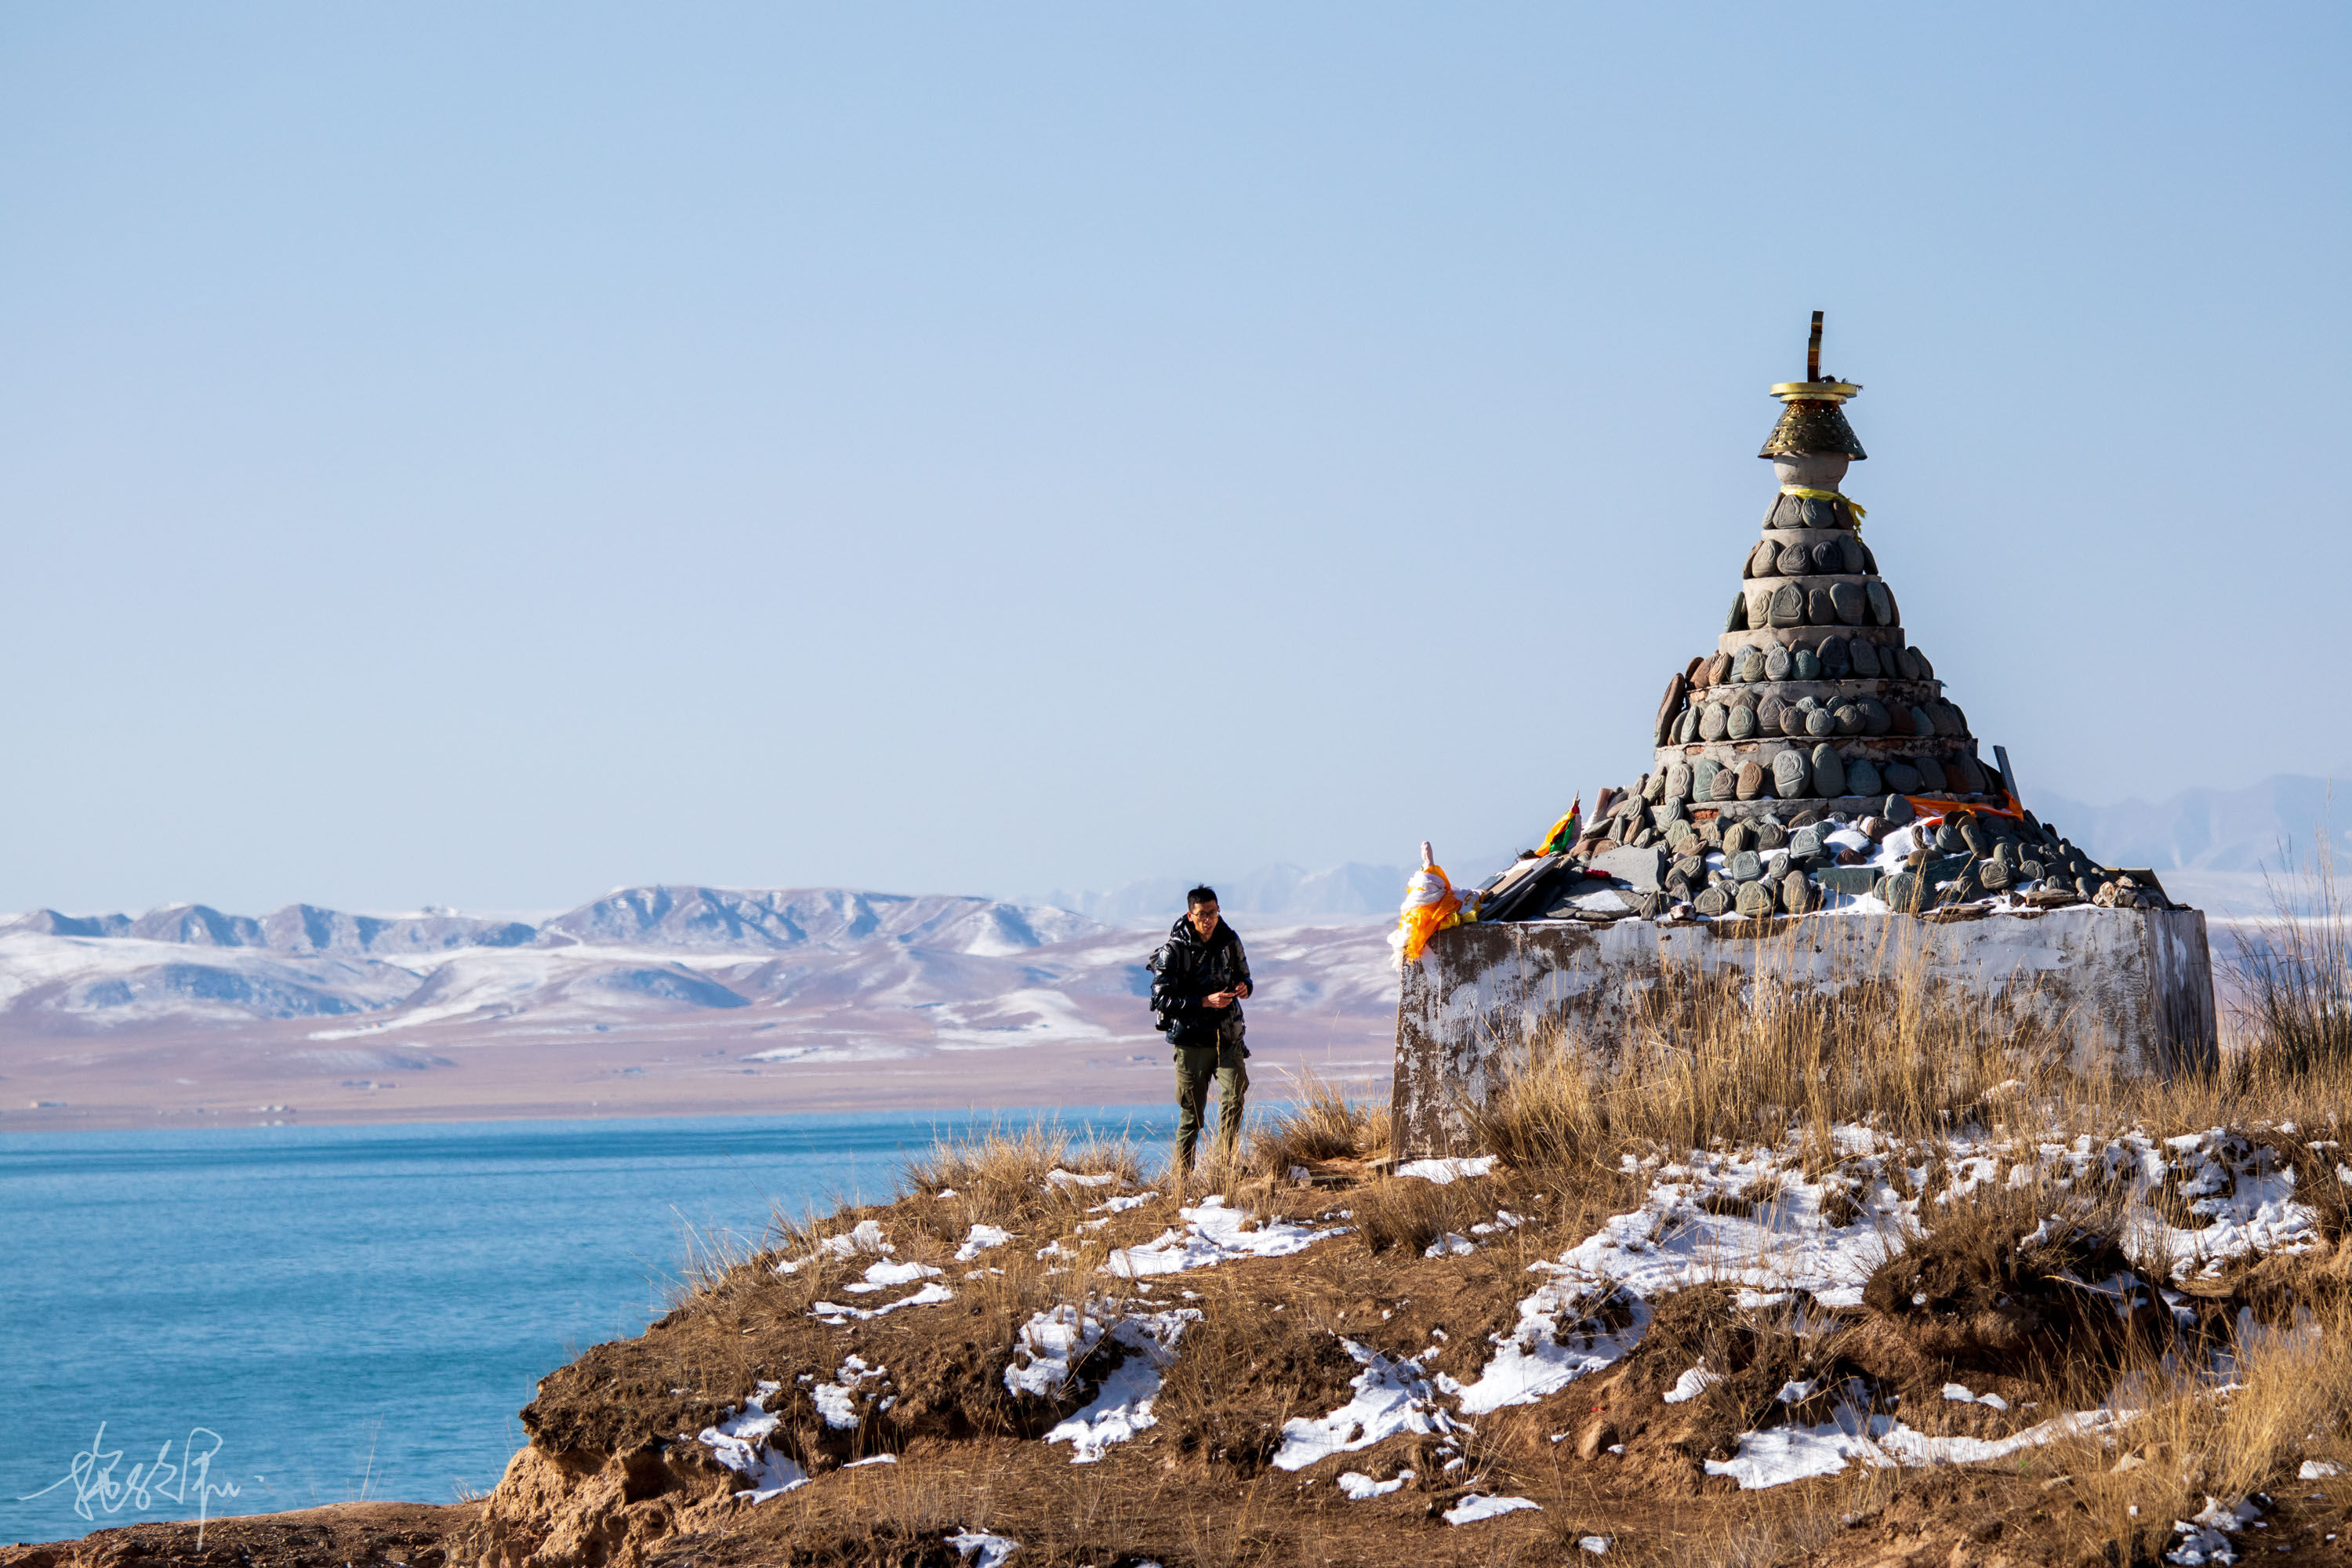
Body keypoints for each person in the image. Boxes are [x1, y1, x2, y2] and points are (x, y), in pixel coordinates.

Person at [1152, 885, 1252, 1176]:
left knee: (1235, 1096)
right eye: (1202, 914)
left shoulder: (1230, 940)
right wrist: (1203, 1002)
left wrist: (1245, 987)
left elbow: (1245, 974)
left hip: (1227, 1037)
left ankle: (1224, 1166)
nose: (1209, 919)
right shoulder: (1174, 950)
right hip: (1191, 1041)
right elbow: (1160, 998)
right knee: (1191, 1117)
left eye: (1213, 913)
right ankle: (1182, 1182)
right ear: (1190, 915)